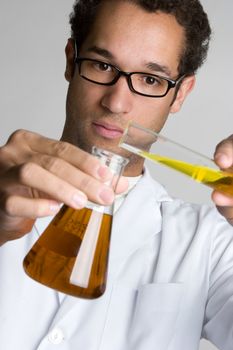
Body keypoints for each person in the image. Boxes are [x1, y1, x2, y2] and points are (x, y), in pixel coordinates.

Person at [0, 0, 233, 349]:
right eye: (102, 64)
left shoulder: (211, 243)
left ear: (180, 93)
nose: (117, 103)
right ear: (70, 60)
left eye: (151, 79)